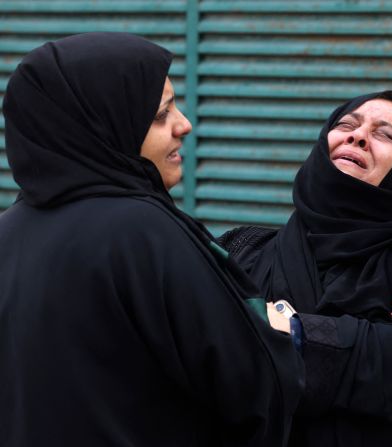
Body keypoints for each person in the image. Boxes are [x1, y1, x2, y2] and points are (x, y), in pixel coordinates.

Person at [0, 32, 303, 446]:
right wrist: (281, 336)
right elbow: (248, 383)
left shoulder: (9, 232)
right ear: (104, 126)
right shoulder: (142, 231)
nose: (185, 125)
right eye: (161, 115)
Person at [219, 93, 392, 447]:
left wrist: (293, 333)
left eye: (384, 135)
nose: (358, 136)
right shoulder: (244, 251)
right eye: (346, 125)